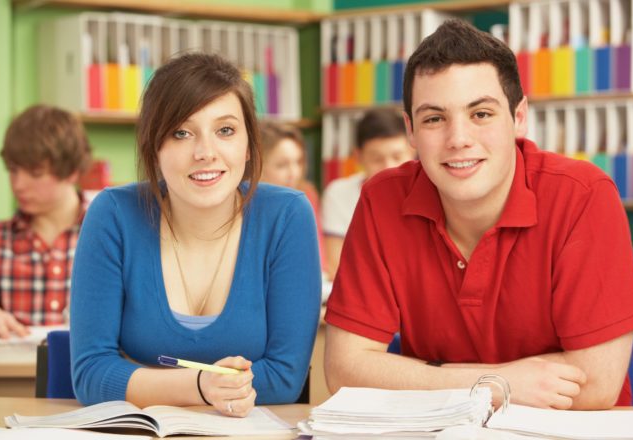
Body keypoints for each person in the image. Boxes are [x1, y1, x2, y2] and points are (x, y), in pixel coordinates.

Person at [324, 19, 633, 410]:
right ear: (410, 130)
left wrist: (426, 378)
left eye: (481, 114)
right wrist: (495, 384)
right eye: (434, 119)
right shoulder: (381, 199)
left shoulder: (583, 195)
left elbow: (596, 384)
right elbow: (344, 372)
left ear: (519, 117)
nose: (458, 139)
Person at [70, 53, 321, 416]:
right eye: (181, 133)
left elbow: (285, 376)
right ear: (154, 149)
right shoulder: (113, 214)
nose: (205, 152)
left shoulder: (287, 215)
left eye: (225, 131)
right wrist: (201, 387)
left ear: (249, 145)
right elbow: (91, 374)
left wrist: (151, 384)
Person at [0, 105, 92, 339]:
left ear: (72, 171)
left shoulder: (112, 235)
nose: (18, 184)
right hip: (10, 374)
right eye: (13, 171)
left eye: (35, 173)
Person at [321, 108, 414, 277]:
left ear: (412, 150)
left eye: (397, 156)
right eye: (377, 159)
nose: (388, 167)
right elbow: (337, 267)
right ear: (359, 157)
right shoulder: (338, 194)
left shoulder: (432, 191)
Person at [258, 120, 327, 276]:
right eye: (282, 165)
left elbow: (318, 258)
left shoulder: (307, 194)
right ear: (257, 166)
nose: (294, 173)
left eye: (298, 162)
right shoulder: (248, 204)